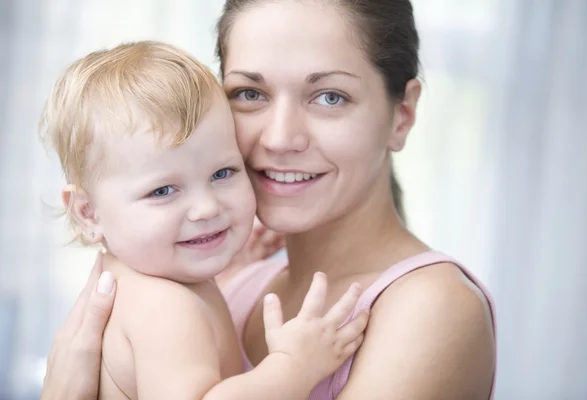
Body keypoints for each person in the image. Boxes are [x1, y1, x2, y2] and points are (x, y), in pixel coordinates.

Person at [41, 1, 497, 399]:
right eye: (250, 94)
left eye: (330, 97)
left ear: (403, 115)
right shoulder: (223, 280)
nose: (280, 139)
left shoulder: (432, 308)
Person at [39, 40, 369, 400]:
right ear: (88, 213)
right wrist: (293, 366)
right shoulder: (165, 305)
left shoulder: (145, 282)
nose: (207, 208)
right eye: (163, 191)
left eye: (223, 172)